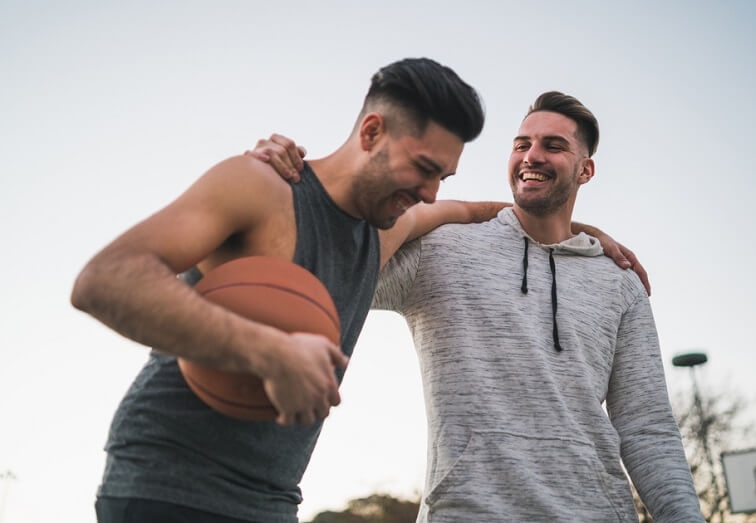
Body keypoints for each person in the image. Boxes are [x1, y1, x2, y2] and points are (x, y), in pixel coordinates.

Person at [71, 57, 493, 523]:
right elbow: (104, 279)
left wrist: (572, 231)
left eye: (443, 178)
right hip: (168, 485)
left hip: (271, 501)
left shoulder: (385, 229)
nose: (432, 192)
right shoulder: (260, 186)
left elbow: (468, 210)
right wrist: (270, 351)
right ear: (371, 133)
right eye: (424, 168)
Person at [256, 92, 700, 521]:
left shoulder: (619, 281)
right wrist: (287, 184)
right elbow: (328, 266)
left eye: (554, 146)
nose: (532, 156)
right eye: (522, 144)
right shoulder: (444, 248)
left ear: (585, 170)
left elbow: (647, 429)